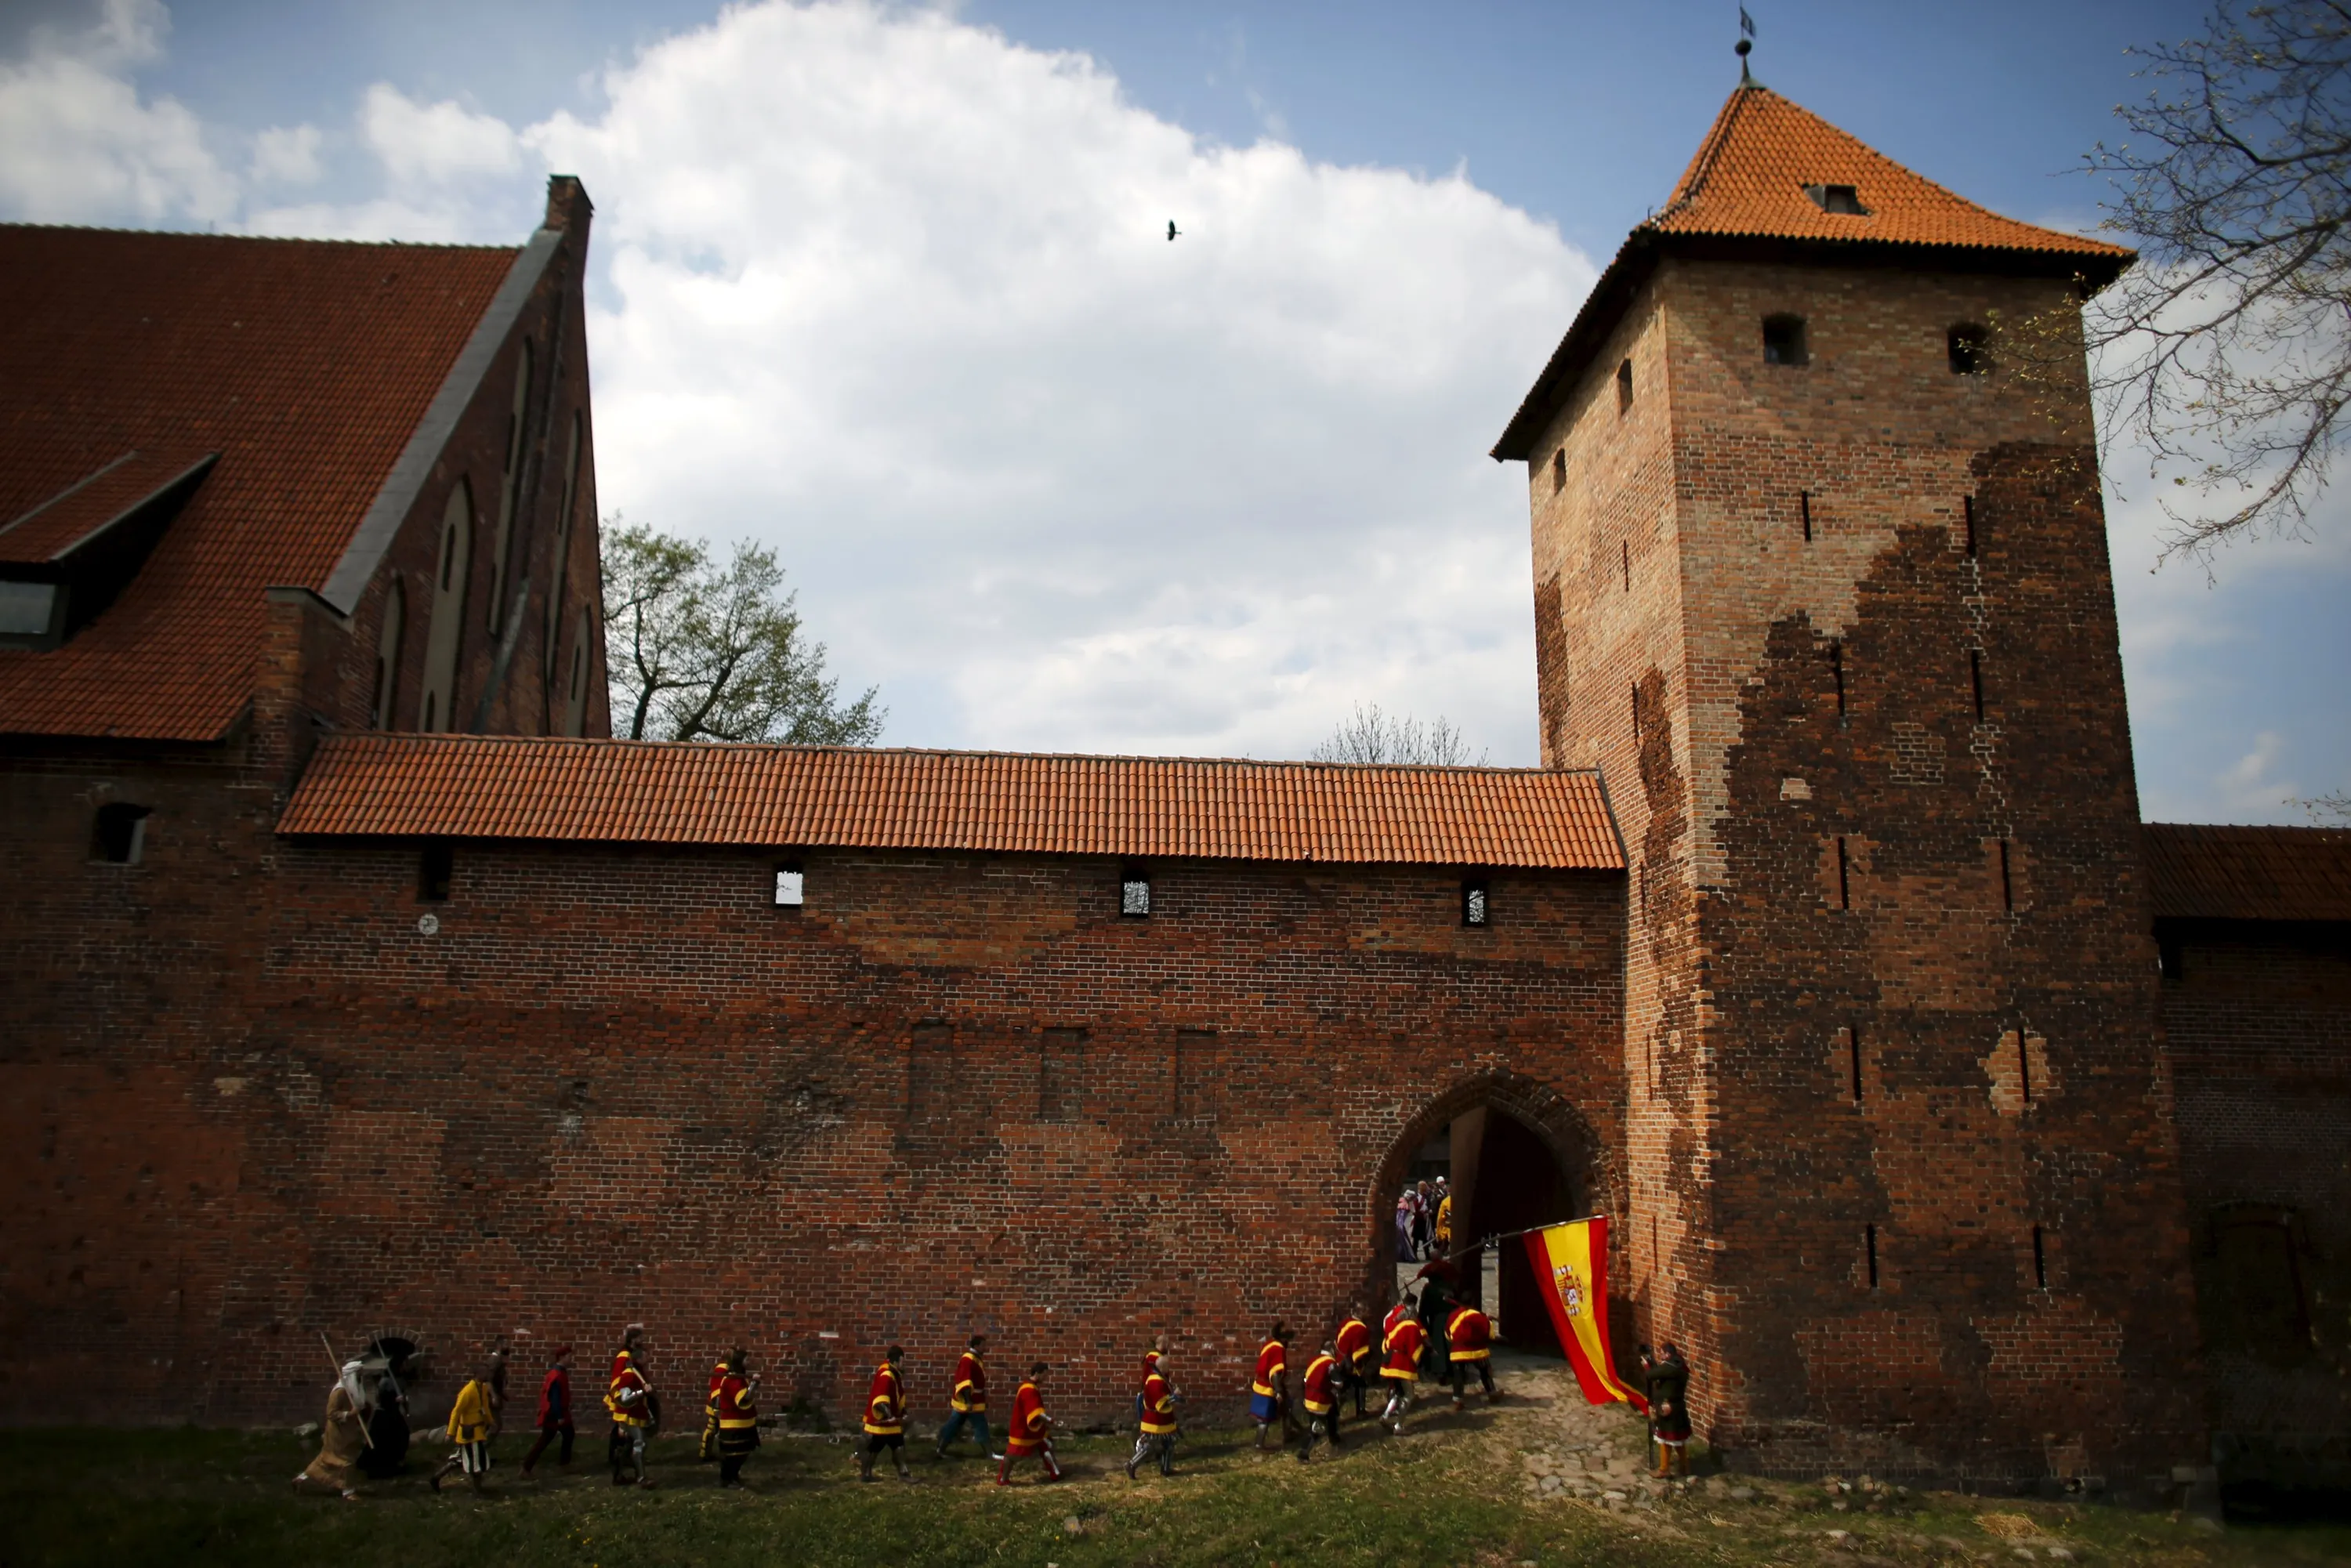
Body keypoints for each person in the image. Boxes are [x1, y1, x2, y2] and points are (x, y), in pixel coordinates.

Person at [293, 1361, 368, 1501]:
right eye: (359, 1373)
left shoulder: (353, 1389)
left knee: (327, 1458)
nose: (361, 1376)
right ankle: (348, 1491)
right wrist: (350, 1414)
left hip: (348, 1431)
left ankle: (301, 1478)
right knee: (346, 1461)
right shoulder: (340, 1391)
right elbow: (331, 1413)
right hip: (338, 1433)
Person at [433, 1362, 498, 1494]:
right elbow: (456, 1411)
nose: (488, 1375)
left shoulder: (483, 1388)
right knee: (477, 1463)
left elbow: (485, 1408)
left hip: (478, 1432)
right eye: (486, 1372)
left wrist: (491, 1422)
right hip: (470, 1434)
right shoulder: (468, 1391)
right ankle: (478, 1490)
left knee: (460, 1459)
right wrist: (450, 1433)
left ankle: (436, 1478)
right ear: (478, 1374)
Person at [605, 1326, 657, 1487]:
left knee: (629, 1444)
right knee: (636, 1443)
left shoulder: (633, 1366)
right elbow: (625, 1395)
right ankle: (639, 1477)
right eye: (640, 1337)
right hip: (628, 1410)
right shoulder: (626, 1363)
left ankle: (622, 1474)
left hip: (634, 1409)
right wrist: (643, 1391)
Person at [998, 1363, 1063, 1485]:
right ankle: (1003, 1478)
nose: (1045, 1378)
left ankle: (1055, 1473)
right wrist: (1052, 1421)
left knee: (1045, 1444)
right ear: (1037, 1373)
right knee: (1012, 1455)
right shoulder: (1029, 1390)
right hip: (1023, 1429)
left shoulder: (1030, 1387)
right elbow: (1036, 1412)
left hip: (1032, 1428)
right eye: (1044, 1375)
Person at [936, 1333, 995, 1459]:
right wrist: (968, 1401)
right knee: (980, 1425)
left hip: (973, 1400)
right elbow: (965, 1381)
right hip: (969, 1401)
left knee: (954, 1425)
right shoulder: (968, 1360)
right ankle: (989, 1453)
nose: (985, 1348)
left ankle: (940, 1449)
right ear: (976, 1346)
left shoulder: (975, 1359)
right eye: (983, 1346)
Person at [1125, 1347, 1179, 1479]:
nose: (1169, 1369)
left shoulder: (1158, 1378)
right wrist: (1175, 1396)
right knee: (1150, 1447)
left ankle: (1165, 1469)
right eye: (1168, 1366)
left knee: (1169, 1443)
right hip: (1155, 1422)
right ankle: (1131, 1465)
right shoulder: (1156, 1382)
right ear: (1163, 1367)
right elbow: (1160, 1404)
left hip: (1162, 1421)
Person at [861, 1345, 913, 1483]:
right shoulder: (887, 1376)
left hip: (890, 1423)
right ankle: (866, 1474)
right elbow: (880, 1401)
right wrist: (890, 1417)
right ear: (895, 1362)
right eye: (902, 1362)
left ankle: (904, 1474)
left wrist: (902, 1412)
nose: (904, 1365)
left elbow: (895, 1397)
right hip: (881, 1423)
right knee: (875, 1448)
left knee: (899, 1446)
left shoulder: (892, 1373)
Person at [521, 1345, 574, 1474]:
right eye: (569, 1356)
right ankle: (527, 1467)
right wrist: (559, 1416)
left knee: (565, 1435)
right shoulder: (557, 1375)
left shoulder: (559, 1373)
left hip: (558, 1412)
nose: (571, 1359)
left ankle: (563, 1464)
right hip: (555, 1413)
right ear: (562, 1357)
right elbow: (554, 1398)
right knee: (547, 1439)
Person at [713, 1349, 761, 1487]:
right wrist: (754, 1384)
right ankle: (727, 1480)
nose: (749, 1362)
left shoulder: (739, 1378)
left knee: (742, 1453)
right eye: (746, 1359)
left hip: (744, 1424)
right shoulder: (733, 1381)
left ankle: (733, 1477)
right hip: (734, 1425)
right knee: (733, 1455)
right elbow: (743, 1401)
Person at [1644, 1342, 1692, 1477]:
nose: (1661, 1356)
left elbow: (1652, 1375)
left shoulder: (1670, 1367)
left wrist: (1647, 1366)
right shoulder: (1679, 1365)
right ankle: (1685, 1467)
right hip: (1677, 1406)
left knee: (1665, 1438)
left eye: (1662, 1353)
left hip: (1669, 1407)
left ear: (1668, 1354)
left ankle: (1664, 1469)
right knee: (1678, 1440)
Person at [1380, 1295, 1426, 1433]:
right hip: (1402, 1365)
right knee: (1409, 1395)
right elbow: (1414, 1349)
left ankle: (1386, 1416)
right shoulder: (1412, 1327)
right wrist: (1418, 1363)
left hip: (1391, 1363)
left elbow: (1386, 1344)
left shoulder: (1397, 1327)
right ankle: (1399, 1426)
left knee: (1399, 1392)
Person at [1444, 1299, 1498, 1410]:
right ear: (1473, 1303)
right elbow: (1490, 1335)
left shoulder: (1453, 1315)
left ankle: (1457, 1400)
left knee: (1458, 1375)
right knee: (1485, 1371)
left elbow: (1448, 1335)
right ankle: (1492, 1394)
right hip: (1478, 1351)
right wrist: (1488, 1321)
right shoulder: (1479, 1315)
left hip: (1459, 1352)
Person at [1296, 1340, 1342, 1463]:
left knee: (1333, 1412)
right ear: (1332, 1350)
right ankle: (1303, 1453)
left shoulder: (1314, 1360)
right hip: (1320, 1400)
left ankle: (1334, 1437)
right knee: (1318, 1429)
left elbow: (1305, 1379)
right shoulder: (1330, 1363)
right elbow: (1338, 1382)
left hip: (1309, 1397)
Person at [1248, 1323, 1292, 1450]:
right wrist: (1278, 1391)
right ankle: (1259, 1444)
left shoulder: (1269, 1344)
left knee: (1286, 1408)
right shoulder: (1278, 1349)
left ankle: (1288, 1434)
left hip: (1261, 1384)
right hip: (1268, 1387)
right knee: (1264, 1418)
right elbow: (1275, 1373)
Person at [1335, 1305, 1375, 1418]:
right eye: (1366, 1311)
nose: (1368, 1314)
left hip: (1340, 1359)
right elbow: (1358, 1352)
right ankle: (1360, 1411)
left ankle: (1334, 1413)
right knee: (1360, 1383)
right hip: (1350, 1363)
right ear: (1361, 1313)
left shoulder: (1345, 1323)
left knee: (1343, 1388)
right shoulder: (1361, 1328)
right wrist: (1361, 1367)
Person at [697, 1349, 735, 1463]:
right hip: (717, 1403)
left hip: (718, 1402)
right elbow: (718, 1388)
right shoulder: (722, 1369)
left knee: (714, 1429)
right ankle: (705, 1454)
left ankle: (707, 1454)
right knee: (712, 1429)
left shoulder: (724, 1368)